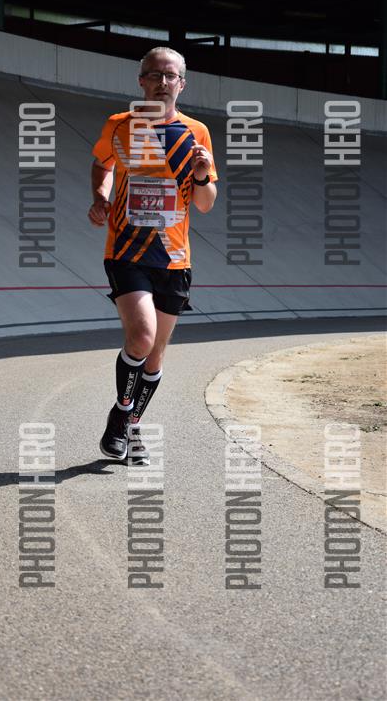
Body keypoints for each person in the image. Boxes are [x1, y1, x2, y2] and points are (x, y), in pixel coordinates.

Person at [88, 46, 218, 466]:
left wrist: (202, 175)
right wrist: (100, 197)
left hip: (174, 258)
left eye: (170, 76)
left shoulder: (196, 133)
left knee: (156, 354)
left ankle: (132, 425)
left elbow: (205, 204)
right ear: (141, 80)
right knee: (141, 338)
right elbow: (102, 165)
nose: (162, 83)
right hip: (126, 250)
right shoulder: (120, 125)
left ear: (182, 84)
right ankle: (120, 415)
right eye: (154, 75)